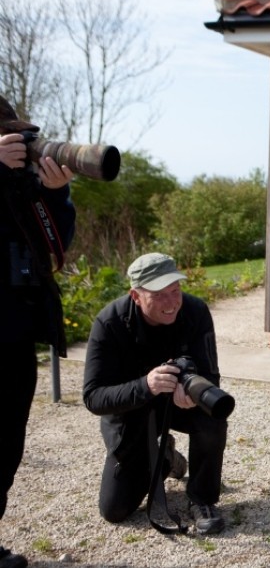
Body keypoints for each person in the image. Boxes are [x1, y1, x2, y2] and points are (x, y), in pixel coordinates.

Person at [82, 253, 229, 535]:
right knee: (115, 510)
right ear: (135, 296)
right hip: (132, 408)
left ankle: (202, 498)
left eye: (176, 291)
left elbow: (211, 376)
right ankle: (166, 460)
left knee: (212, 414)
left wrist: (190, 391)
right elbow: (93, 397)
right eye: (159, 295)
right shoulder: (109, 323)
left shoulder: (195, 312)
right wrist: (145, 386)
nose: (172, 302)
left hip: (178, 403)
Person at [0, 96, 75, 568]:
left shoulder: (21, 183)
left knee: (7, 444)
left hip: (16, 331)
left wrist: (55, 194)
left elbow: (56, 244)